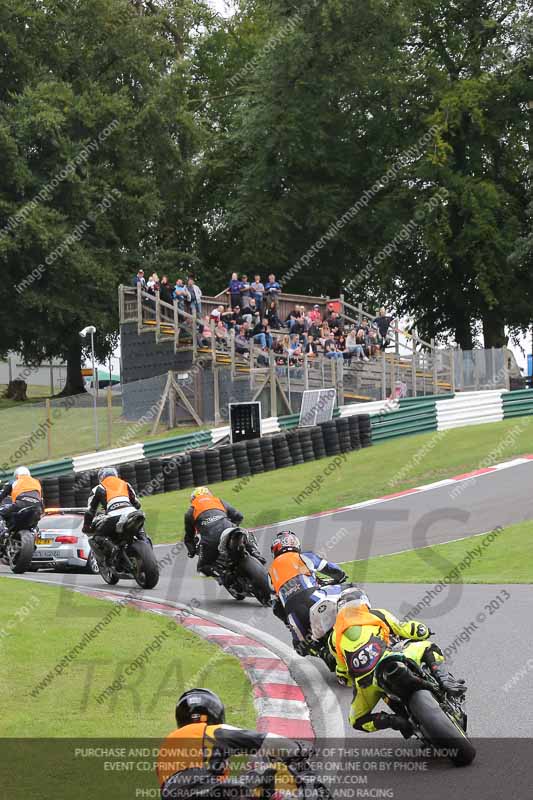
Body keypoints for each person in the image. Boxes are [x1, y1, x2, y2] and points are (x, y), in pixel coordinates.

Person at [328, 587, 466, 736]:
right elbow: (406, 629)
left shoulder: (333, 638)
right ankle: (445, 680)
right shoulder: (376, 614)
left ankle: (394, 721)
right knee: (428, 647)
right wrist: (423, 630)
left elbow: (342, 671)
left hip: (367, 682)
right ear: (364, 601)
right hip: (391, 658)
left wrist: (350, 680)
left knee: (356, 720)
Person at [157, 688, 309, 798]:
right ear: (214, 714)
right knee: (270, 774)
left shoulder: (164, 750)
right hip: (208, 792)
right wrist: (299, 748)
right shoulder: (211, 732)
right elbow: (261, 740)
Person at [268, 531, 346, 653]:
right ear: (296, 544)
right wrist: (340, 576)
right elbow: (331, 569)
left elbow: (276, 608)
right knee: (348, 590)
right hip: (313, 597)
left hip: (293, 614)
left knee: (300, 647)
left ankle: (322, 653)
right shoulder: (303, 557)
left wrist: (289, 624)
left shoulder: (271, 574)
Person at [184, 487, 245, 584]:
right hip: (229, 529)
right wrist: (233, 524)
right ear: (209, 494)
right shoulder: (218, 501)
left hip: (210, 540)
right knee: (244, 535)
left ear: (192, 499)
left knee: (202, 567)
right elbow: (239, 516)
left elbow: (189, 537)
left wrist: (191, 551)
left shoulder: (190, 511)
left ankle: (223, 575)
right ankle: (255, 554)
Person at [82, 468, 146, 552]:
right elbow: (137, 504)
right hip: (132, 513)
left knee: (97, 537)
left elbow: (90, 512)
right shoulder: (125, 484)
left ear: (101, 478)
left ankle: (113, 551)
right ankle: (145, 541)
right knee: (142, 533)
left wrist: (86, 527)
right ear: (116, 475)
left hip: (114, 516)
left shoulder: (97, 488)